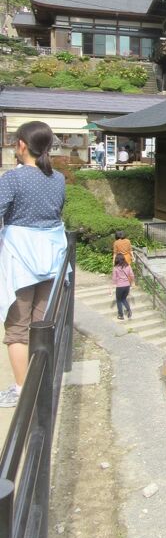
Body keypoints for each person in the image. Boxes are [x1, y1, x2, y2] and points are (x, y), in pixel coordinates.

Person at [0, 121, 67, 408]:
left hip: (20, 258)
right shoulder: (59, 178)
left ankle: (21, 389)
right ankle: (40, 383)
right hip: (51, 255)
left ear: (22, 145)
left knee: (17, 326)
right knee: (41, 323)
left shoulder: (12, 179)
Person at [112, 253, 135, 320]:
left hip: (120, 286)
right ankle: (129, 310)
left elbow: (114, 278)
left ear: (116, 260)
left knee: (119, 300)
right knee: (124, 299)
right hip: (127, 285)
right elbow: (132, 275)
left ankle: (121, 315)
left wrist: (114, 284)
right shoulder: (128, 266)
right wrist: (132, 282)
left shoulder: (115, 268)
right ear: (123, 259)